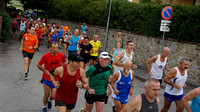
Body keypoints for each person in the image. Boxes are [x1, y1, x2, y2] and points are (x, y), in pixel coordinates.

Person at [37, 42, 66, 112]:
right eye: (54, 48)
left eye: (57, 48)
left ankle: (50, 100)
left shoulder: (61, 55)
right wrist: (44, 70)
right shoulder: (46, 56)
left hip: (56, 79)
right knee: (46, 94)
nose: (56, 49)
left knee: (53, 96)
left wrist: (62, 70)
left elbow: (63, 63)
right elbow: (38, 65)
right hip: (46, 78)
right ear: (50, 48)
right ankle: (44, 106)